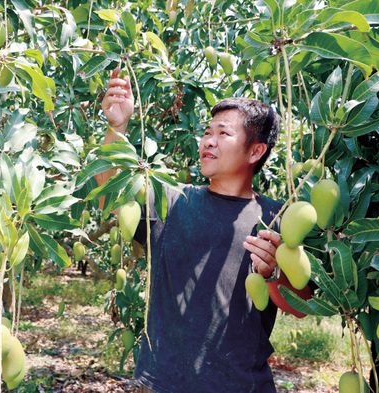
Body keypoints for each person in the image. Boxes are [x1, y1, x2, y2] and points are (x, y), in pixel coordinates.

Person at [96, 69, 285, 393]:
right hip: (165, 384)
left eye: (223, 134)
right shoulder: (174, 200)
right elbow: (111, 190)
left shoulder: (276, 216)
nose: (208, 141)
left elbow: (302, 302)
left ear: (256, 151)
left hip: (242, 386)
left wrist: (273, 275)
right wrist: (117, 127)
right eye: (207, 132)